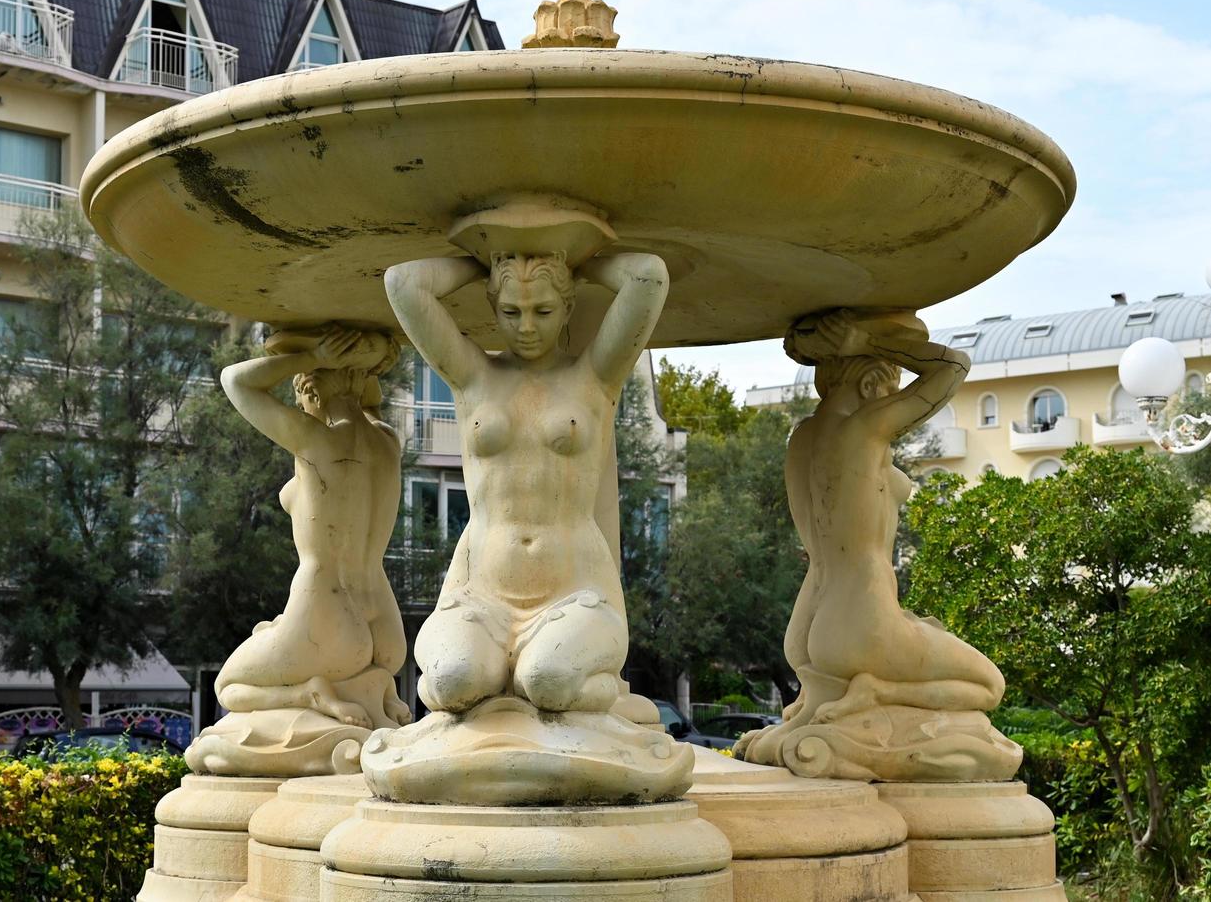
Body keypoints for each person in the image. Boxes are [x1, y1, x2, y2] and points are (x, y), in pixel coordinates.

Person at [384, 250, 668, 716]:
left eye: (544, 310)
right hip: (480, 592)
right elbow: (402, 283)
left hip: (574, 590)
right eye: (511, 311)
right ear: (493, 308)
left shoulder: (595, 376)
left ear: (569, 308)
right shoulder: (473, 378)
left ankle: (585, 693)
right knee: (454, 681)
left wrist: (577, 261)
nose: (527, 326)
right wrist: (484, 264)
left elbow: (647, 276)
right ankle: (518, 686)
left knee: (547, 680)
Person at [737, 309, 1007, 771]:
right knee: (990, 685)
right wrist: (864, 338)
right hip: (862, 620)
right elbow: (953, 367)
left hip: (809, 625)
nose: (893, 399)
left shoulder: (801, 438)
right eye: (890, 387)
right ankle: (879, 690)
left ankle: (810, 714)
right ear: (870, 385)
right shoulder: (863, 429)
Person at [210, 325, 410, 732]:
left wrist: (312, 355)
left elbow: (235, 381)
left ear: (312, 394)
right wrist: (362, 362)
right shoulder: (387, 443)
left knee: (228, 685)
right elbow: (369, 403)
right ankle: (376, 687)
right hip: (386, 624)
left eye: (300, 397)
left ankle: (307, 694)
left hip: (327, 609)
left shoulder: (315, 441)